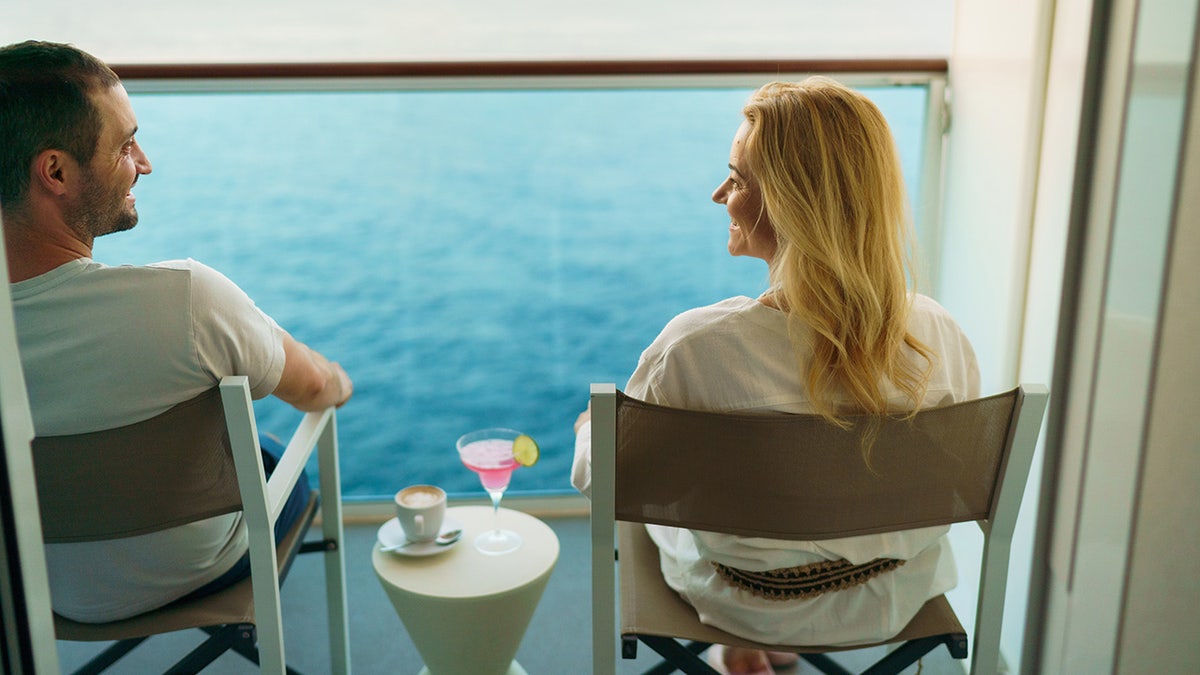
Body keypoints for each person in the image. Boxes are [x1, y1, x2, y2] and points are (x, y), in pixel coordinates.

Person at [571, 77, 980, 674]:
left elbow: (606, 484)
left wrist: (590, 430)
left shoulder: (696, 349)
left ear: (792, 205)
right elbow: (952, 474)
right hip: (889, 596)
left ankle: (744, 643)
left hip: (744, 600)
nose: (718, 195)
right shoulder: (938, 335)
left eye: (737, 180)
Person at [0, 40, 354, 623]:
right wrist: (339, 382)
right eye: (125, 146)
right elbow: (314, 388)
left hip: (41, 589)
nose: (144, 163)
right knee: (266, 455)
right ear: (56, 171)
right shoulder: (187, 300)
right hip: (202, 567)